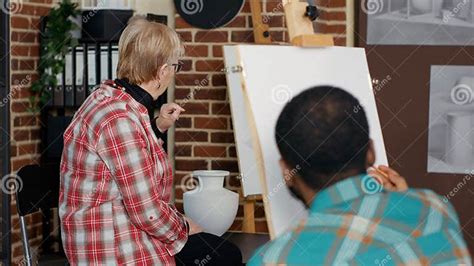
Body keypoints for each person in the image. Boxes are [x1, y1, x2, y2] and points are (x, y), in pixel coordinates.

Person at [59, 16, 242, 265]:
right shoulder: (119, 119)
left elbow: (120, 163)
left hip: (118, 228)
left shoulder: (112, 98)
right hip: (113, 247)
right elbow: (147, 213)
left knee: (220, 251)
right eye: (176, 66)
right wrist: (185, 228)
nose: (174, 72)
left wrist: (157, 128)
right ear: (162, 71)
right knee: (226, 256)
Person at [248, 86, 471, 265]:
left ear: (287, 171)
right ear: (371, 151)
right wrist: (406, 204)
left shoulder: (274, 259)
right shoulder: (435, 209)